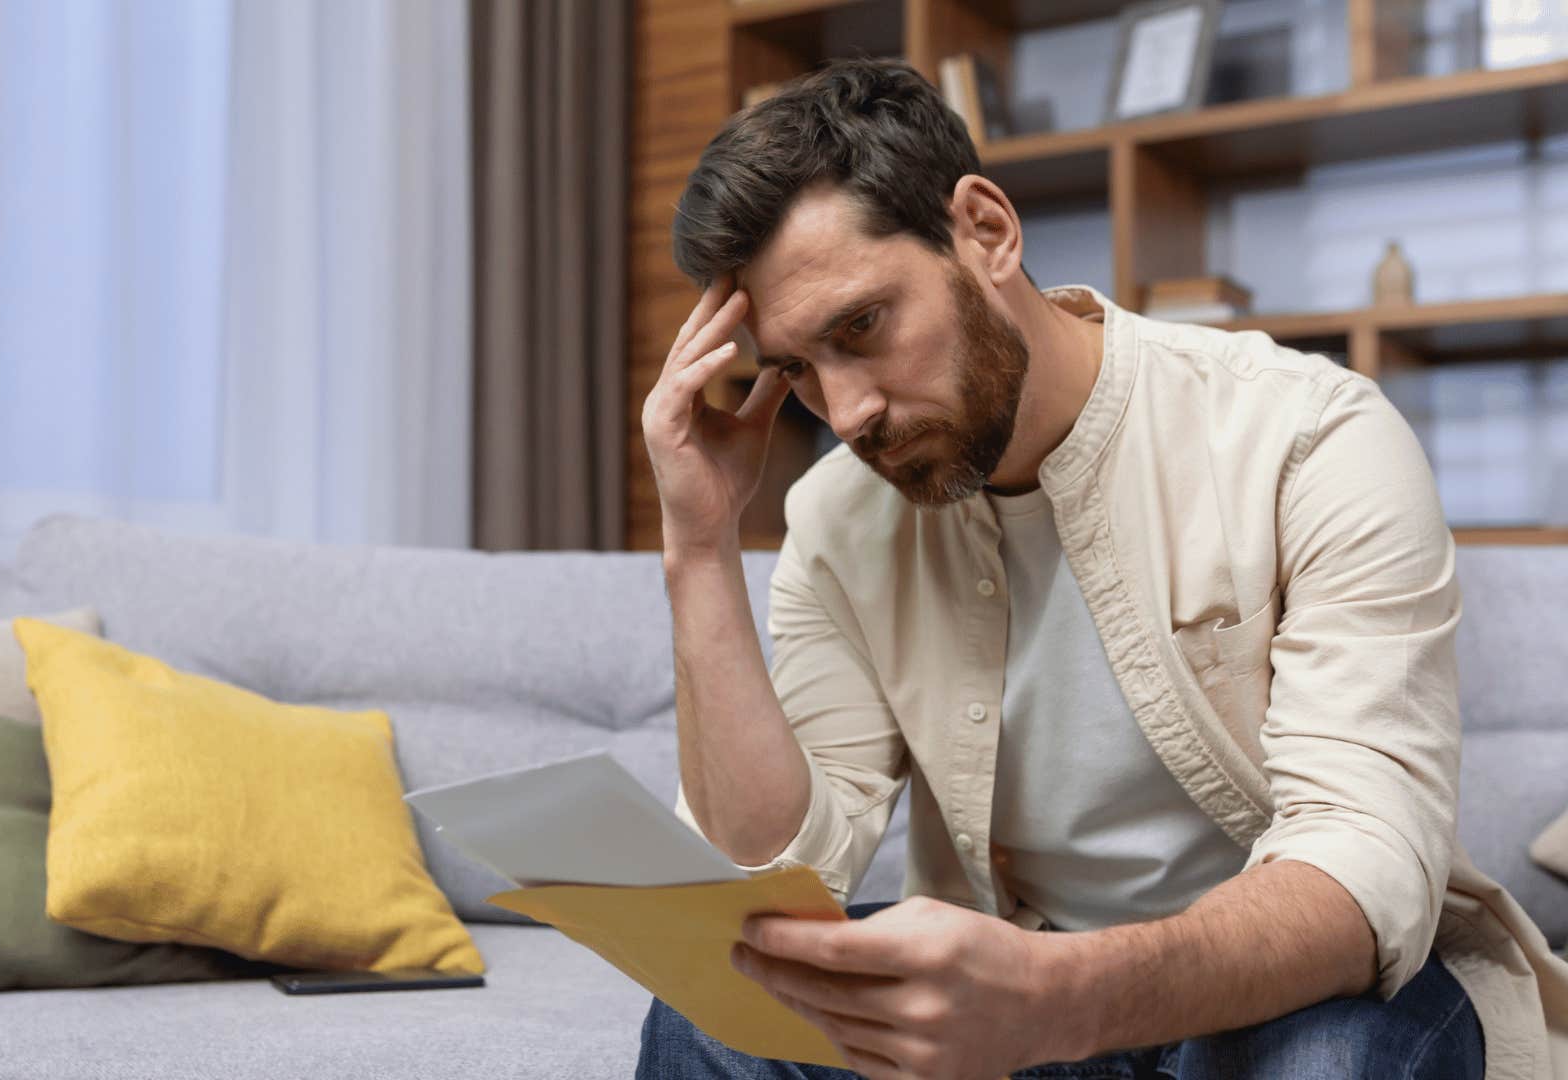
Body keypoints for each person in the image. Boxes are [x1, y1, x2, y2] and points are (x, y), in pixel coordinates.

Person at [636, 58, 1567, 1080]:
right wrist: (700, 544)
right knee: (709, 1020)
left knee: (1337, 1058)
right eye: (798, 369)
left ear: (986, 230)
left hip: (1272, 993)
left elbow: (1364, 864)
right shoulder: (835, 520)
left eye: (862, 326)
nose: (847, 412)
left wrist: (1058, 1003)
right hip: (1010, 989)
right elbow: (777, 878)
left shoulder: (1309, 435)